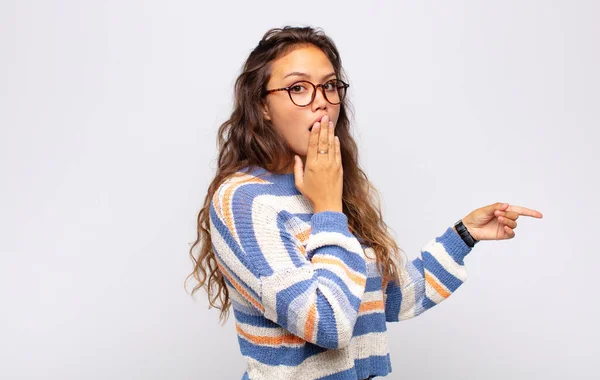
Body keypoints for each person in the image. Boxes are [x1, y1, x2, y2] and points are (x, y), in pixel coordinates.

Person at [186, 25, 543, 380]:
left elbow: (386, 298)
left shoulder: (327, 185)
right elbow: (329, 324)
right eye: (298, 88)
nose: (321, 100)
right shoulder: (244, 201)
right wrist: (327, 206)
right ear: (263, 106)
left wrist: (464, 235)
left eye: (329, 85)